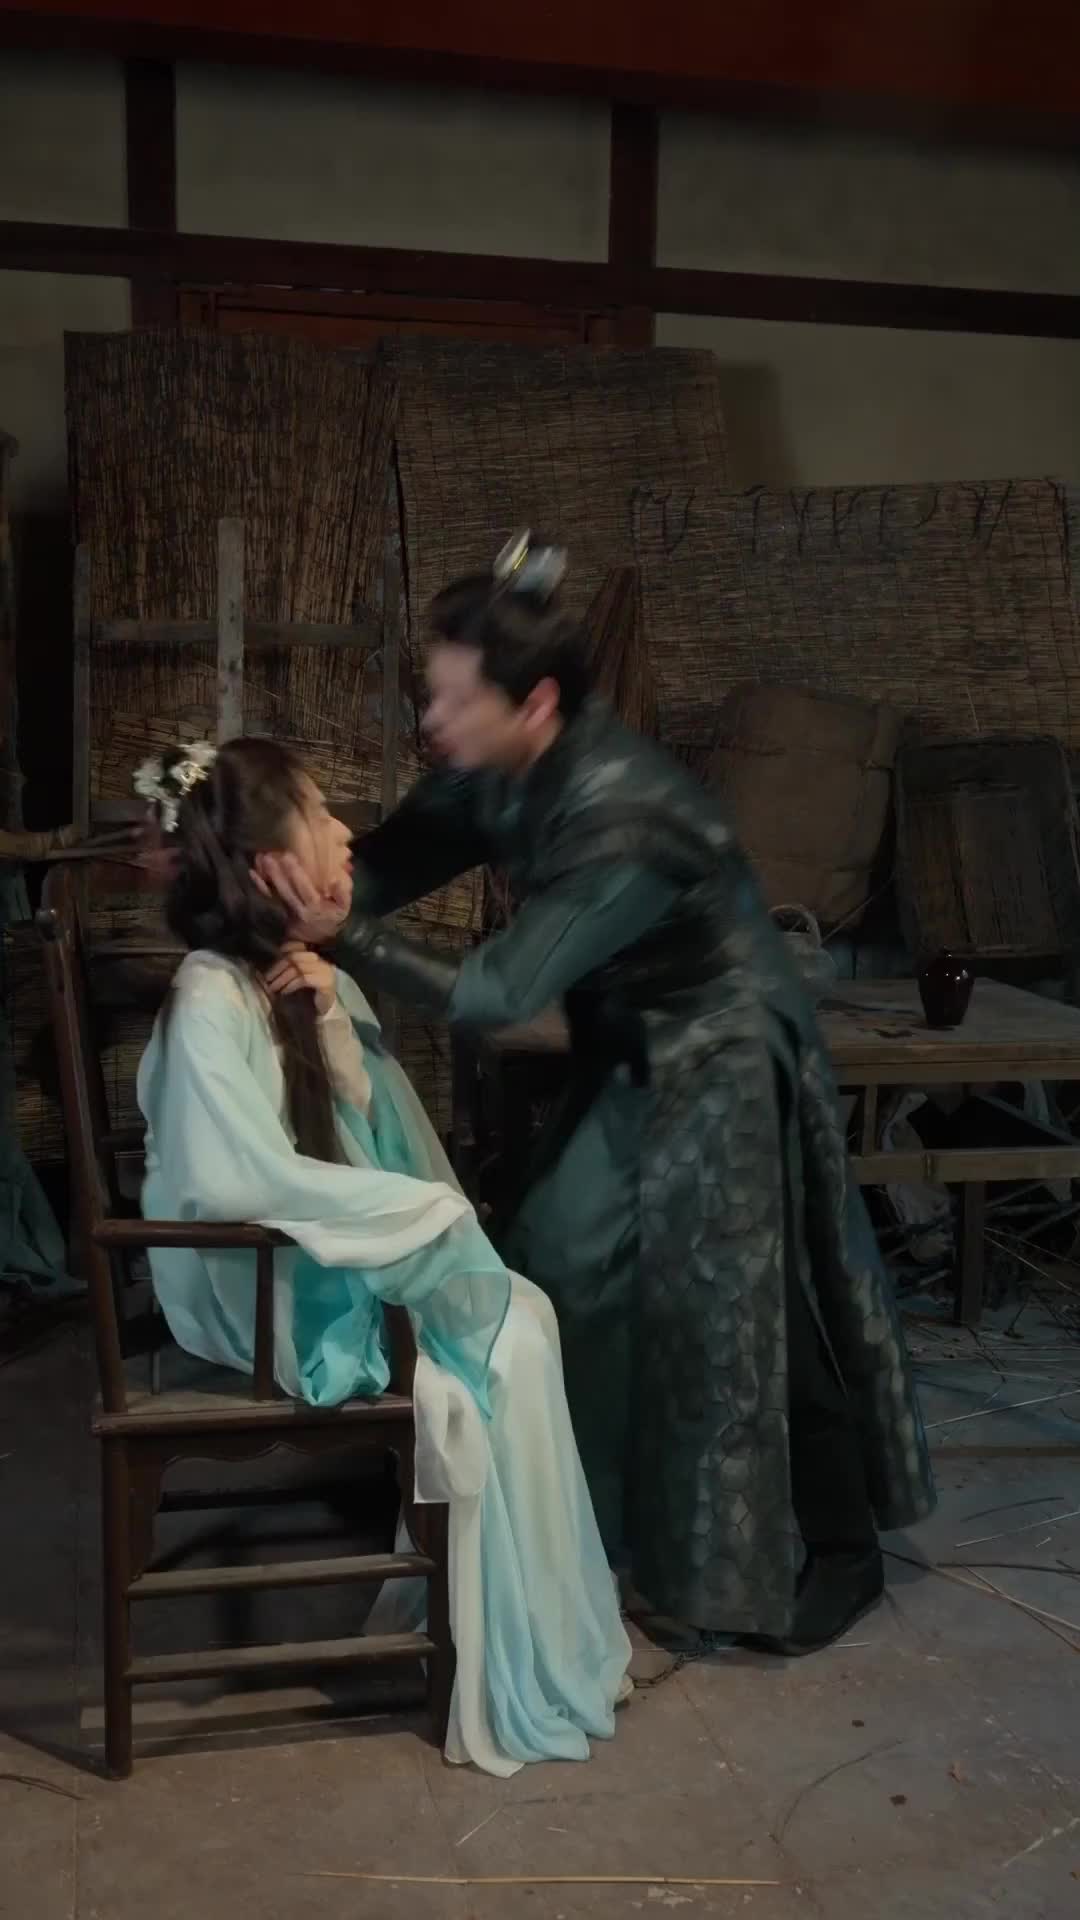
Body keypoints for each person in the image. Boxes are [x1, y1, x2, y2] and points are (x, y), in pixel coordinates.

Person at [258, 530, 936, 1659]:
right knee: (555, 1259)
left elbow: (500, 989)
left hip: (723, 1047)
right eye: (433, 694)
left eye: (455, 701)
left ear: (534, 704)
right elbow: (388, 862)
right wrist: (269, 884)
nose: (432, 719)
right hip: (633, 1041)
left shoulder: (629, 817)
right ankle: (580, 1524)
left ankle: (842, 1547)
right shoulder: (496, 767)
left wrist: (348, 937)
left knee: (745, 1304)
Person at [132, 734, 631, 1776]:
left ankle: (532, 1637)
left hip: (307, 1250)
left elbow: (371, 1132)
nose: (347, 834)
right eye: (321, 816)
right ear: (271, 863)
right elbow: (229, 1182)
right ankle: (506, 1655)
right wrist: (414, 1217)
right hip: (257, 1280)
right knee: (508, 1339)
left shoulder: (297, 975)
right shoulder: (209, 994)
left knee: (524, 1319)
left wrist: (335, 1034)